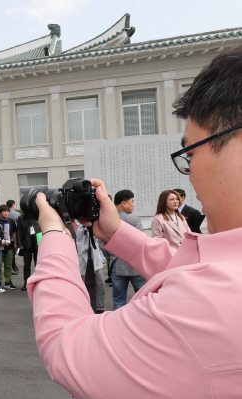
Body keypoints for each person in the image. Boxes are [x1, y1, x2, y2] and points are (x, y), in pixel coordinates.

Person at [27, 44, 242, 397]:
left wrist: (53, 234)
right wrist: (115, 232)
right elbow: (191, 269)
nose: (188, 175)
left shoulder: (212, 304)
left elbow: (65, 344)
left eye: (190, 153)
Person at [108, 190, 147, 310]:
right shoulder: (134, 220)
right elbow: (141, 242)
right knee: (143, 299)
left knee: (119, 300)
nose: (133, 205)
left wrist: (112, 258)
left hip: (116, 264)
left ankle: (118, 325)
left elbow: (102, 243)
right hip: (135, 265)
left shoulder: (108, 220)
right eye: (132, 202)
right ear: (123, 203)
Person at [74, 221, 105, 313]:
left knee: (100, 285)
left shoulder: (94, 221)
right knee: (81, 288)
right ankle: (82, 310)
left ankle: (99, 309)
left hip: (95, 261)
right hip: (79, 261)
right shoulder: (73, 223)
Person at [16, 211, 40, 291]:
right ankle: (26, 283)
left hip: (37, 242)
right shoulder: (22, 217)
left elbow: (41, 229)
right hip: (26, 243)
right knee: (27, 264)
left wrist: (41, 242)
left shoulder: (38, 214)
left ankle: (38, 282)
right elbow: (18, 230)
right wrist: (19, 243)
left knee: (38, 264)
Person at [0, 205, 16, 292]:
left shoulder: (11, 221)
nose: (6, 213)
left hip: (9, 245)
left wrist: (15, 242)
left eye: (8, 211)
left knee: (8, 265)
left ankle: (8, 282)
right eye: (4, 211)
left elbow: (14, 232)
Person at [6, 200, 21, 275]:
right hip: (15, 236)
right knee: (13, 252)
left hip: (7, 236)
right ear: (13, 205)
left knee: (10, 252)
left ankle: (14, 266)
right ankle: (13, 267)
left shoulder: (6, 214)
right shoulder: (17, 214)